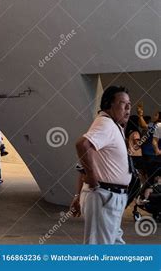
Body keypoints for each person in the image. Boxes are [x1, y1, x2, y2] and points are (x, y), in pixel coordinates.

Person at [75, 86, 132, 244]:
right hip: (105, 195)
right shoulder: (105, 123)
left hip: (111, 197)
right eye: (122, 103)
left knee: (115, 246)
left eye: (129, 104)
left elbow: (89, 159)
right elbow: (82, 145)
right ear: (109, 104)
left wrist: (78, 196)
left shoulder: (113, 125)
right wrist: (92, 178)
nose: (128, 108)